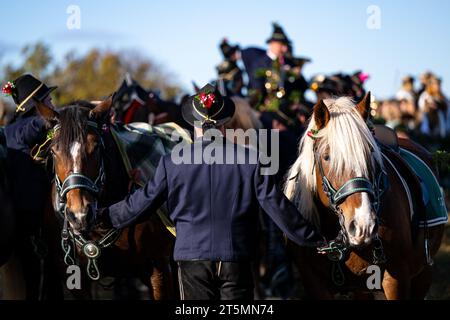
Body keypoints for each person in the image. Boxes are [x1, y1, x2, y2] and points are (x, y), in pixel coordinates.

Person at [93, 83, 325, 300]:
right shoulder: (250, 159)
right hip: (237, 257)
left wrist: (102, 216)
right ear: (224, 123)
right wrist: (315, 239)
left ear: (193, 124)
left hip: (192, 257)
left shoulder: (171, 161)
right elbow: (278, 207)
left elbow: (140, 205)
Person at [2, 74, 58, 299]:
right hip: (32, 224)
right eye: (49, 101)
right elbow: (40, 123)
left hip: (31, 221)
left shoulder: (15, 128)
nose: (53, 104)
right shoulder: (25, 127)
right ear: (39, 105)